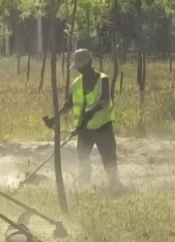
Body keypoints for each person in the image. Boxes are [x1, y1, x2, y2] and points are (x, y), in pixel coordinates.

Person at [45, 48, 121, 188]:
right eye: (78, 67)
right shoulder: (77, 83)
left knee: (108, 157)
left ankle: (114, 183)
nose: (80, 70)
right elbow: (69, 104)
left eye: (83, 66)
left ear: (90, 63)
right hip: (84, 129)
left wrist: (90, 114)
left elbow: (104, 100)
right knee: (83, 156)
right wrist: (54, 118)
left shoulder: (102, 79)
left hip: (102, 126)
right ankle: (84, 185)